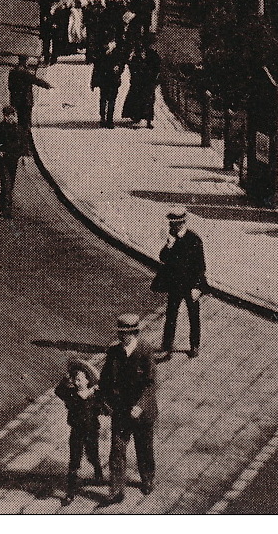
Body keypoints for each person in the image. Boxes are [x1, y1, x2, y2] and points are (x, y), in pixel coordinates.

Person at [100, 313, 158, 503]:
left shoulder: (145, 351)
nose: (121, 337)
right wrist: (105, 402)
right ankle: (117, 490)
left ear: (134, 333)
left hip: (142, 413)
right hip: (121, 412)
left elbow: (151, 384)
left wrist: (140, 406)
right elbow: (105, 379)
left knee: (144, 448)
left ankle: (147, 478)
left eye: (125, 334)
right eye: (120, 333)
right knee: (117, 450)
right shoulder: (114, 351)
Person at [156, 206, 207, 359]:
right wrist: (169, 245)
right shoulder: (171, 238)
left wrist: (197, 287)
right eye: (171, 224)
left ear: (183, 223)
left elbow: (201, 267)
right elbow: (163, 258)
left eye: (175, 224)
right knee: (171, 314)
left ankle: (194, 345)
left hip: (191, 285)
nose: (171, 227)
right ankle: (167, 345)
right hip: (175, 285)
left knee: (194, 315)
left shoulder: (194, 240)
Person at [55, 359, 108, 504]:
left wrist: (101, 400)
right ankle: (70, 492)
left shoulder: (95, 395)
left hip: (91, 431)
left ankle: (97, 468)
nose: (76, 382)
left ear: (87, 380)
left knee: (92, 454)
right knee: (74, 461)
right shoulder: (71, 394)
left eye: (79, 379)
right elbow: (58, 391)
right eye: (75, 379)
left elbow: (105, 407)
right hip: (76, 432)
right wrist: (66, 378)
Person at [121, 36, 160, 128]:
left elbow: (157, 68)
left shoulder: (153, 55)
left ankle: (148, 120)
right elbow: (132, 66)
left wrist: (155, 79)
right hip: (138, 81)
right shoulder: (136, 55)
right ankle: (136, 117)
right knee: (137, 99)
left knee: (149, 100)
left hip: (149, 81)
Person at [6, 55, 51, 131]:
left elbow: (10, 87)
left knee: (20, 120)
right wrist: (47, 85)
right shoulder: (25, 73)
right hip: (26, 101)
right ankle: (26, 138)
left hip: (16, 100)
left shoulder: (12, 72)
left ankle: (21, 136)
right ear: (25, 62)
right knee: (26, 122)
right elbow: (36, 80)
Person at [92, 40, 126, 128]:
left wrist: (118, 68)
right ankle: (103, 118)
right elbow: (96, 67)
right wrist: (94, 81)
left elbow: (122, 64)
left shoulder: (118, 52)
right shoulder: (101, 53)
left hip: (113, 80)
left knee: (111, 100)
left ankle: (109, 119)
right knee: (104, 99)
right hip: (105, 79)